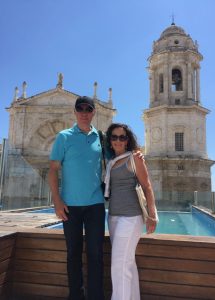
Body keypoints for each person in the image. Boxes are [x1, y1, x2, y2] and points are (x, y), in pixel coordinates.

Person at [48, 96, 105, 300]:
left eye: (88, 109)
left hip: (96, 205)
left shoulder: (100, 137)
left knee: (96, 254)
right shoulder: (64, 137)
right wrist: (57, 201)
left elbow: (119, 152)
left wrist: (137, 153)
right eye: (79, 109)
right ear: (74, 112)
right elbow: (53, 170)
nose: (84, 112)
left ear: (93, 112)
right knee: (73, 254)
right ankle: (75, 296)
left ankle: (96, 296)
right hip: (69, 205)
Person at [104, 123, 158, 300]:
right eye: (114, 137)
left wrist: (152, 215)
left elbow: (147, 186)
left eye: (122, 137)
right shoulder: (110, 161)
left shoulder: (135, 158)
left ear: (127, 140)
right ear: (110, 140)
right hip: (113, 216)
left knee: (119, 265)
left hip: (131, 217)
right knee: (127, 263)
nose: (118, 140)